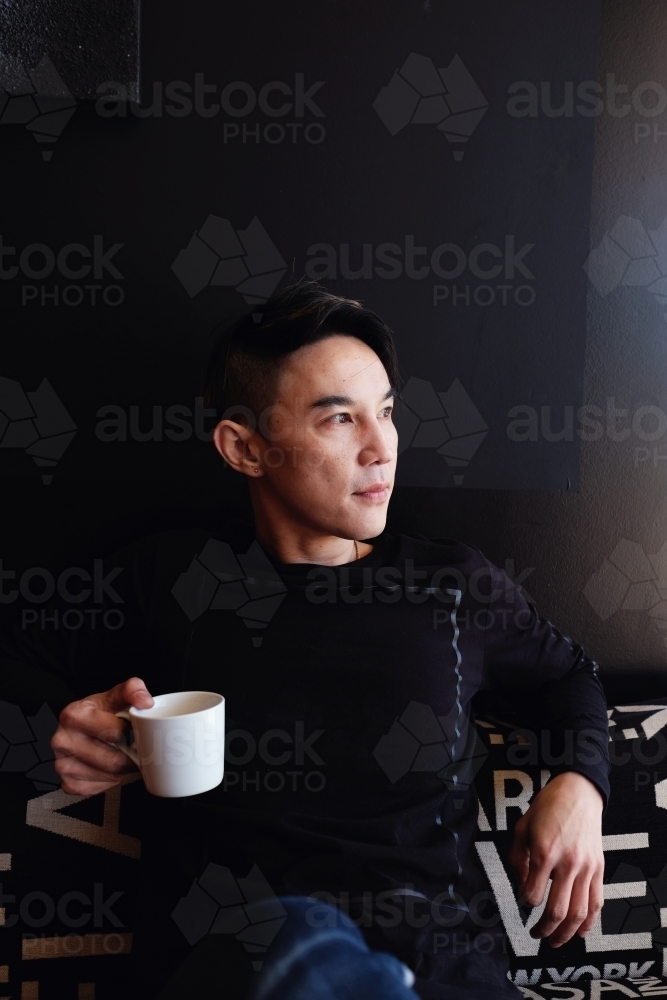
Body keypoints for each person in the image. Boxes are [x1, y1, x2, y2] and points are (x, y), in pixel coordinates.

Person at [8, 282, 608, 998]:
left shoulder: (453, 587)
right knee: (297, 936)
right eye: (338, 420)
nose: (381, 446)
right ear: (244, 448)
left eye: (385, 411)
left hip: (437, 963)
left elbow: (567, 675)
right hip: (242, 950)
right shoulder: (171, 580)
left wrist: (579, 786)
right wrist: (64, 725)